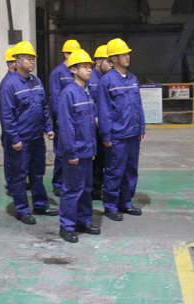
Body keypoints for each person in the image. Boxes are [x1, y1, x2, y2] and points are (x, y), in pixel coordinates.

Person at [0, 41, 59, 225]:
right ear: (17, 61)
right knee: (19, 176)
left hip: (36, 138)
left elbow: (43, 107)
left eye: (33, 58)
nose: (32, 62)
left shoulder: (36, 81)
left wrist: (48, 128)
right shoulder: (9, 85)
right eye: (28, 58)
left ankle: (40, 205)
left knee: (37, 173)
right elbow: (7, 115)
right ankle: (23, 210)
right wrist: (14, 139)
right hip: (21, 140)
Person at [97, 38, 146, 222]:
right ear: (114, 58)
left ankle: (125, 202)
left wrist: (141, 127)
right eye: (123, 54)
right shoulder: (107, 81)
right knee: (114, 171)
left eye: (127, 54)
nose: (127, 57)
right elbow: (104, 111)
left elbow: (138, 105)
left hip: (133, 133)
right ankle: (110, 206)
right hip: (117, 135)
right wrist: (106, 135)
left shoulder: (132, 78)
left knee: (131, 171)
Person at [57, 49, 100, 243]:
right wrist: (72, 152)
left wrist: (93, 149)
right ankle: (66, 226)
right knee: (72, 189)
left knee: (86, 189)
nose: (89, 70)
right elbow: (66, 126)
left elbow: (89, 124)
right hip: (74, 152)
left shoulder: (86, 91)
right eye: (84, 67)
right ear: (73, 69)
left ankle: (83, 221)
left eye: (90, 66)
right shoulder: (69, 93)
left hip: (87, 151)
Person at [49, 40, 82, 197]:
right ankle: (58, 183)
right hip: (63, 120)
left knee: (75, 151)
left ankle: (71, 181)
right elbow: (54, 97)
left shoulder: (77, 71)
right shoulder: (58, 73)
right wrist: (58, 118)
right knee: (61, 151)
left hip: (76, 120)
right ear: (66, 54)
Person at [87, 45, 113, 201]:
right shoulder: (90, 80)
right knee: (95, 159)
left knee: (103, 158)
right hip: (94, 127)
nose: (111, 64)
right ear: (98, 61)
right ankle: (94, 189)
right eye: (108, 61)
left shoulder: (109, 79)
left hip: (106, 126)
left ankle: (100, 186)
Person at [0, 48, 17, 195]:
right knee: (11, 158)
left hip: (17, 127)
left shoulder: (17, 80)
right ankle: (11, 185)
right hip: (10, 128)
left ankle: (16, 182)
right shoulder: (7, 83)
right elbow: (6, 111)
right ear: (10, 63)